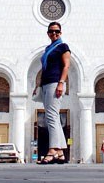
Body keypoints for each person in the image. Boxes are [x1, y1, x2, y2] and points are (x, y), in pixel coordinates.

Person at [33, 21, 71, 164]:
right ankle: (60, 153)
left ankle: (52, 150)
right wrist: (38, 84)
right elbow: (44, 68)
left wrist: (61, 83)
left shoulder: (63, 47)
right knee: (53, 116)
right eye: (51, 31)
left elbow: (66, 66)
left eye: (56, 31)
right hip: (46, 84)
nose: (53, 33)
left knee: (51, 116)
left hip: (55, 83)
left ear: (60, 33)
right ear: (48, 33)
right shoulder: (48, 48)